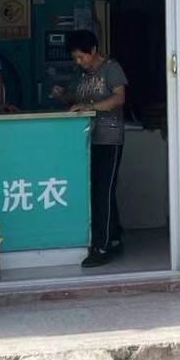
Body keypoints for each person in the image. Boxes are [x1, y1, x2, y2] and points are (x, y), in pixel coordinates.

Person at [52, 29, 127, 269]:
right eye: (75, 57)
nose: (78, 61)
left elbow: (119, 98)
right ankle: (115, 236)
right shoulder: (82, 74)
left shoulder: (111, 68)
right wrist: (65, 96)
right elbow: (78, 103)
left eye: (81, 56)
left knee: (103, 191)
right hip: (88, 140)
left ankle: (102, 246)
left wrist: (91, 106)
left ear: (93, 50)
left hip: (109, 138)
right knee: (100, 189)